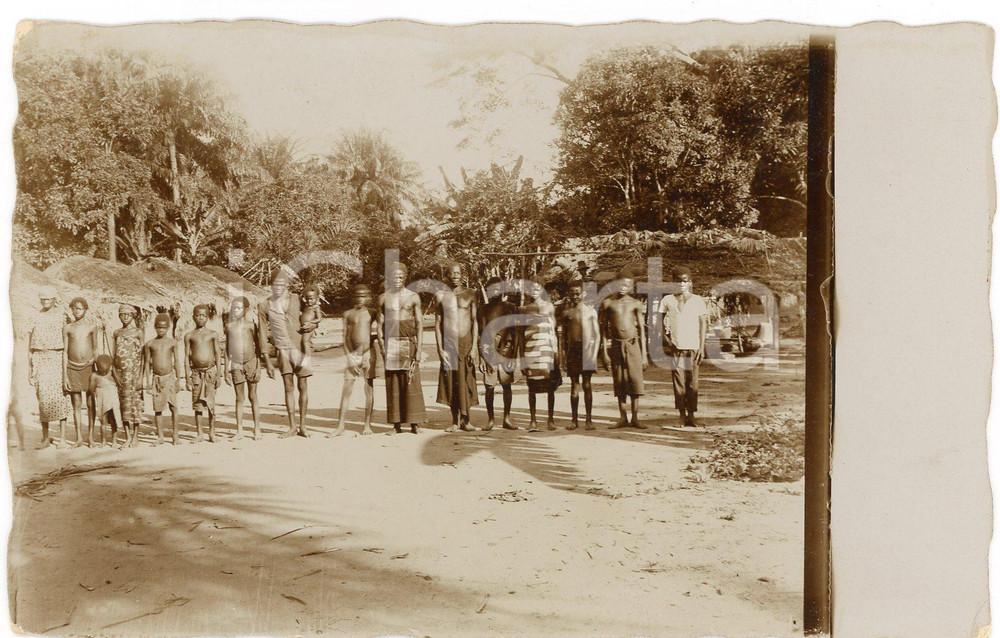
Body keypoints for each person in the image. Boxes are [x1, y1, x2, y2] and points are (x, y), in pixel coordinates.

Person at [376, 262, 426, 434]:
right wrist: (382, 345)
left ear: (405, 277)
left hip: (408, 341)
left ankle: (414, 423)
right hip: (391, 343)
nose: (397, 280)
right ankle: (396, 424)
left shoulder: (413, 297)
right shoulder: (383, 298)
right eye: (394, 276)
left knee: (410, 381)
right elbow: (379, 324)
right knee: (393, 382)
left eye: (400, 276)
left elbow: (419, 324)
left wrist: (419, 349)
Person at [259, 272, 310, 438]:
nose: (279, 287)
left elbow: (313, 309)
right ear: (270, 285)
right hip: (282, 351)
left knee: (303, 387)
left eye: (282, 284)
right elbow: (261, 333)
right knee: (288, 387)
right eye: (275, 284)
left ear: (287, 285)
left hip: (300, 348)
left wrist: (312, 325)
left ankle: (303, 425)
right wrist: (266, 359)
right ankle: (292, 426)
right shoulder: (264, 305)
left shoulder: (297, 299)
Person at [658, 266, 709, 427]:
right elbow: (658, 321)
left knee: (692, 383)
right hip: (676, 347)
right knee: (679, 382)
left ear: (690, 282)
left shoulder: (697, 300)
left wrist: (701, 347)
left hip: (693, 347)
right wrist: (665, 339)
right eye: (678, 281)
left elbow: (703, 323)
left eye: (684, 281)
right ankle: (681, 415)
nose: (681, 284)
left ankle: (691, 415)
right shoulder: (667, 300)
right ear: (673, 283)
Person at [435, 262, 480, 432]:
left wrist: (474, 347)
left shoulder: (471, 294)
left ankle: (466, 421)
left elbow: (475, 321)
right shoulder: (440, 296)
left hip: (466, 343)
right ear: (446, 276)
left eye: (458, 273)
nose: (455, 276)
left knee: (467, 380)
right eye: (452, 273)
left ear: (462, 275)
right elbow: (438, 324)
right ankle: (454, 420)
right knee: (451, 381)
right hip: (449, 344)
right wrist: (440, 349)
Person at [599, 274, 647, 429]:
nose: (623, 288)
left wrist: (644, 355)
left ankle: (635, 417)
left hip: (633, 345)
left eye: (626, 285)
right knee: (619, 381)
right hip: (616, 346)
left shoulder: (635, 304)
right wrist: (604, 353)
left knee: (635, 381)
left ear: (631, 286)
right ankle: (623, 417)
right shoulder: (608, 303)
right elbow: (603, 330)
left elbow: (642, 330)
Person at [28, 286, 70, 448]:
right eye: (42, 298)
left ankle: (63, 438)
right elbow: (30, 345)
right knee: (43, 399)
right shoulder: (36, 316)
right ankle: (45, 438)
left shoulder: (62, 316)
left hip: (58, 358)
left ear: (54, 299)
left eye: (48, 298)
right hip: (40, 359)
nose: (45, 301)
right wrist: (29, 369)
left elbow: (69, 339)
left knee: (61, 398)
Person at [519, 277, 561, 431]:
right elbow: (522, 334)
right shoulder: (525, 309)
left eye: (538, 287)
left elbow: (553, 331)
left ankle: (550, 420)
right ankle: (533, 420)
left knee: (550, 388)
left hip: (547, 351)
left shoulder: (549, 307)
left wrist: (556, 354)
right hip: (531, 351)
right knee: (532, 388)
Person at [559, 280, 600, 431]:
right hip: (573, 352)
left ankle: (588, 420)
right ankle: (574, 420)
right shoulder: (567, 313)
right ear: (569, 295)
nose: (575, 296)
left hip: (587, 351)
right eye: (572, 294)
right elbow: (563, 338)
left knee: (587, 385)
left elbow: (597, 335)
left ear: (583, 293)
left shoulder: (591, 312)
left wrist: (594, 354)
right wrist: (563, 358)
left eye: (577, 293)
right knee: (574, 386)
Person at [225, 296, 268, 441]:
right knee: (239, 398)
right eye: (233, 308)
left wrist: (258, 366)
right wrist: (226, 369)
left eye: (238, 308)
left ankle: (257, 429)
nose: (235, 311)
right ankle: (239, 431)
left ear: (246, 310)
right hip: (236, 364)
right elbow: (227, 349)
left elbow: (258, 346)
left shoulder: (251, 325)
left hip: (251, 362)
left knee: (253, 396)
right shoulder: (229, 326)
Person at [336, 285, 377, 436]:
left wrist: (372, 340)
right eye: (357, 296)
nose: (360, 299)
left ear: (368, 298)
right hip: (352, 355)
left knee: (369, 388)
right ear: (353, 297)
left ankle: (367, 424)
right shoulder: (348, 314)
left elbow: (384, 327)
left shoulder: (372, 313)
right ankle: (340, 425)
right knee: (346, 390)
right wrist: (350, 357)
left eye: (363, 296)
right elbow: (345, 337)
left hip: (368, 353)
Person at [478, 276, 518, 431]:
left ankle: (506, 419)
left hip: (507, 352)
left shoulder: (510, 307)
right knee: (489, 387)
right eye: (491, 289)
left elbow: (515, 334)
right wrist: (482, 358)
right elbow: (481, 334)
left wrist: (514, 355)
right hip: (489, 353)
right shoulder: (483, 309)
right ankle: (491, 420)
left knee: (506, 386)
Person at [63, 297, 99, 447]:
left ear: (85, 309)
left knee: (91, 403)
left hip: (89, 368)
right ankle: (78, 437)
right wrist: (64, 374)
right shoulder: (67, 328)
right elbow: (65, 351)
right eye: (74, 308)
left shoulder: (92, 327)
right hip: (72, 367)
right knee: (76, 403)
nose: (77, 311)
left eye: (80, 308)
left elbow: (96, 348)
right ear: (71, 309)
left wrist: (94, 363)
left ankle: (90, 437)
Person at [185, 304, 223, 443]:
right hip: (196, 373)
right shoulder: (189, 335)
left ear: (208, 317)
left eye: (203, 315)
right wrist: (188, 378)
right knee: (197, 404)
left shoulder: (213, 334)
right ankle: (199, 433)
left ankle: (212, 432)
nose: (200, 318)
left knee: (211, 404)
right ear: (193, 316)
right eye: (197, 315)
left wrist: (219, 374)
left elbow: (218, 354)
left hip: (210, 373)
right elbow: (186, 357)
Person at [143, 313, 181, 445]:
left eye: (163, 328)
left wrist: (178, 379)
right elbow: (147, 363)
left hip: (170, 377)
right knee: (158, 409)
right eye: (158, 327)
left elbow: (176, 361)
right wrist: (148, 382)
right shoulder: (150, 344)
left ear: (168, 327)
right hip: (157, 379)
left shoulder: (172, 343)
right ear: (154, 327)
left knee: (173, 407)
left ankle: (175, 435)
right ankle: (160, 436)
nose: (161, 330)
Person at [112, 304, 145, 447]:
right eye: (122, 314)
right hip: (120, 373)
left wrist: (140, 377)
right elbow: (113, 355)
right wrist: (114, 372)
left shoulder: (138, 332)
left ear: (133, 316)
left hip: (134, 373)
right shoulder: (117, 333)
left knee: (135, 404)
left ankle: (136, 436)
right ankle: (127, 436)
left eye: (127, 314)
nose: (125, 317)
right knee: (123, 405)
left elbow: (143, 357)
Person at [89, 354, 121, 448]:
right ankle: (103, 441)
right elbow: (90, 389)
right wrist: (94, 387)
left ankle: (114, 440)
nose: (103, 373)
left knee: (114, 420)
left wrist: (114, 371)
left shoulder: (111, 372)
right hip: (102, 400)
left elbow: (119, 383)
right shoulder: (94, 375)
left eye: (105, 371)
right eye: (101, 371)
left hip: (113, 399)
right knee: (103, 421)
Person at [299, 284, 322, 360]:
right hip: (304, 327)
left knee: (305, 341)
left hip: (309, 328)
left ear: (317, 298)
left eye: (312, 299)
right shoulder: (306, 307)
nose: (309, 301)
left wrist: (311, 323)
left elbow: (319, 319)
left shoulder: (316, 308)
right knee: (304, 342)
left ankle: (306, 357)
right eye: (307, 299)